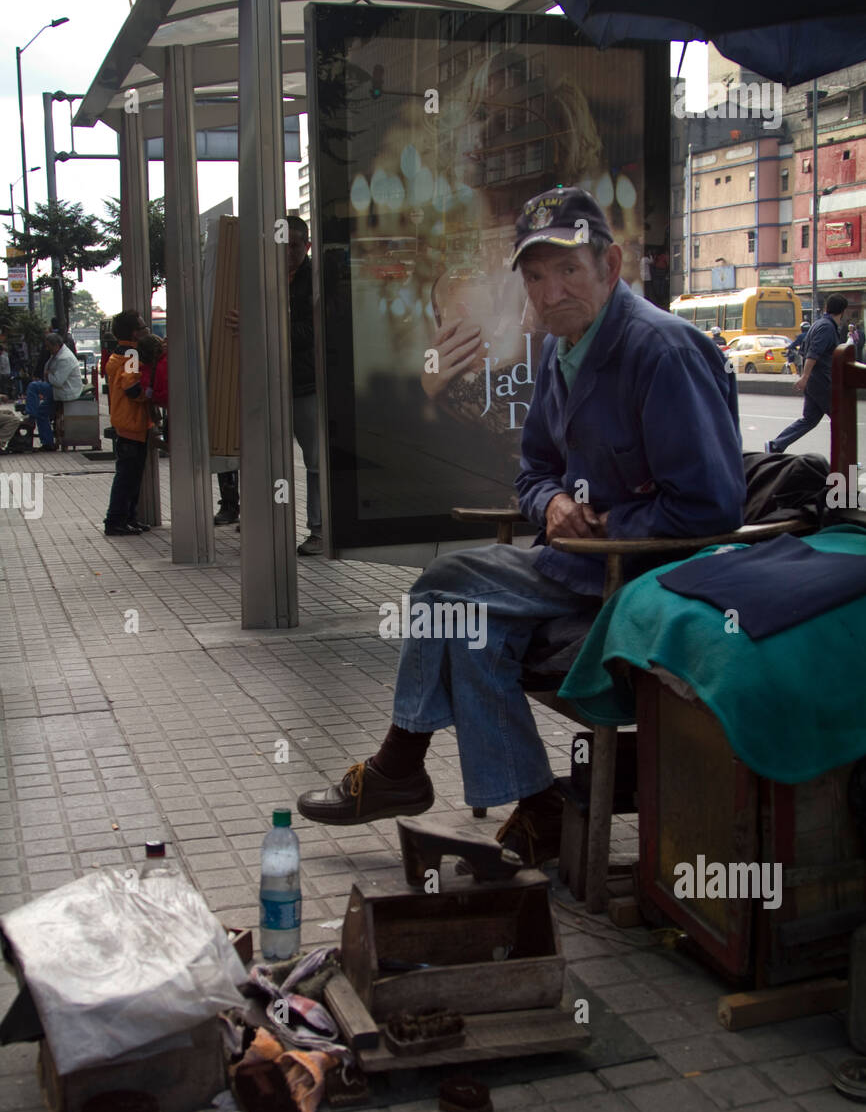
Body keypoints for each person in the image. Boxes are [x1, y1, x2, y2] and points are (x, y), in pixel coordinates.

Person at [297, 187, 745, 864]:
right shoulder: (561, 350)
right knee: (472, 633)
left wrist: (609, 523)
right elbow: (534, 471)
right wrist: (550, 507)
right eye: (536, 275)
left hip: (646, 578)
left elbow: (713, 505)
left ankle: (399, 764)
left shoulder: (661, 350)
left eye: (568, 268)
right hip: (577, 564)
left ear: (610, 264)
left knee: (443, 582)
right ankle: (537, 808)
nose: (550, 289)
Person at [221, 217, 321, 551]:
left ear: (307, 246)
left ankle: (320, 530)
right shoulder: (263, 278)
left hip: (306, 385)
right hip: (266, 382)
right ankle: (262, 520)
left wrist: (257, 326)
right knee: (261, 457)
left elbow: (311, 334)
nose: (289, 252)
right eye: (283, 245)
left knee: (316, 461)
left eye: (295, 245)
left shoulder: (316, 280)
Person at [767, 294, 848, 453]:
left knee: (809, 419)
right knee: (841, 419)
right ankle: (844, 458)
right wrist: (805, 377)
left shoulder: (819, 324)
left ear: (826, 308)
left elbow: (805, 351)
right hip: (822, 382)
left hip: (814, 381)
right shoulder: (826, 328)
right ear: (843, 311)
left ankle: (776, 445)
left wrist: (806, 377)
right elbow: (813, 353)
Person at [103, 309, 152, 536]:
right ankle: (116, 521)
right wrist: (147, 395)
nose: (146, 331)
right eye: (143, 328)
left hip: (124, 422)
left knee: (130, 475)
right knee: (127, 477)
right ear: (134, 333)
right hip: (132, 423)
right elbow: (131, 387)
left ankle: (128, 518)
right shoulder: (132, 356)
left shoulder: (117, 354)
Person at [23, 332, 82, 450]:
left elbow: (58, 381)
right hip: (57, 389)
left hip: (64, 390)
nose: (47, 349)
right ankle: (48, 443)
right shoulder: (57, 354)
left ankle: (31, 416)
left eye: (49, 346)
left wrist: (48, 375)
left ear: (55, 345)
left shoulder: (64, 358)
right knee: (42, 413)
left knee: (33, 386)